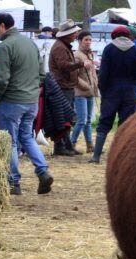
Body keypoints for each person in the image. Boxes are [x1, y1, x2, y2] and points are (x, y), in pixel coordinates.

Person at [0, 12, 53, 196]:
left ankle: (13, 181)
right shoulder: (31, 44)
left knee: (10, 141)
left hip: (11, 100)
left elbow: (2, 79)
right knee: (27, 137)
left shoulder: (4, 46)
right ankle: (43, 171)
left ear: (3, 26)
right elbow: (42, 74)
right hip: (31, 101)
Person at [89, 26, 136, 163]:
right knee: (125, 124)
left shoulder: (109, 49)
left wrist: (103, 90)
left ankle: (96, 156)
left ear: (114, 36)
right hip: (129, 92)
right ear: (128, 36)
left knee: (104, 122)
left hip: (111, 91)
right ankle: (121, 157)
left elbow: (103, 75)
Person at [49, 19, 90, 156]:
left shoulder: (62, 46)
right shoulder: (61, 47)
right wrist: (80, 64)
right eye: (73, 33)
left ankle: (66, 146)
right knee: (63, 118)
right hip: (62, 87)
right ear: (67, 34)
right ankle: (61, 147)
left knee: (65, 118)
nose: (76, 34)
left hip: (65, 86)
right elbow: (64, 66)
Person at [71, 30, 99, 154]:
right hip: (80, 92)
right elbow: (74, 76)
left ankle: (89, 145)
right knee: (82, 120)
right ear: (80, 41)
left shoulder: (90, 54)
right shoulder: (77, 55)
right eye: (85, 40)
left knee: (88, 120)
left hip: (90, 91)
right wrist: (86, 86)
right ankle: (71, 143)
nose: (88, 42)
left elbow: (92, 73)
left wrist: (94, 85)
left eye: (90, 39)